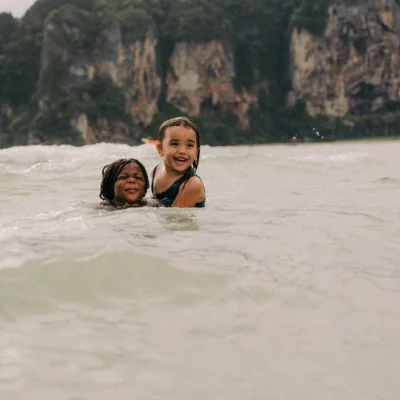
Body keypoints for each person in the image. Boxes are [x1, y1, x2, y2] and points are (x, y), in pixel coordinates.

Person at [151, 116, 205, 208]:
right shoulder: (156, 171)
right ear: (160, 149)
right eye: (174, 144)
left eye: (189, 145)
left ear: (196, 152)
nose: (182, 151)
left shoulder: (192, 184)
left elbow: (175, 217)